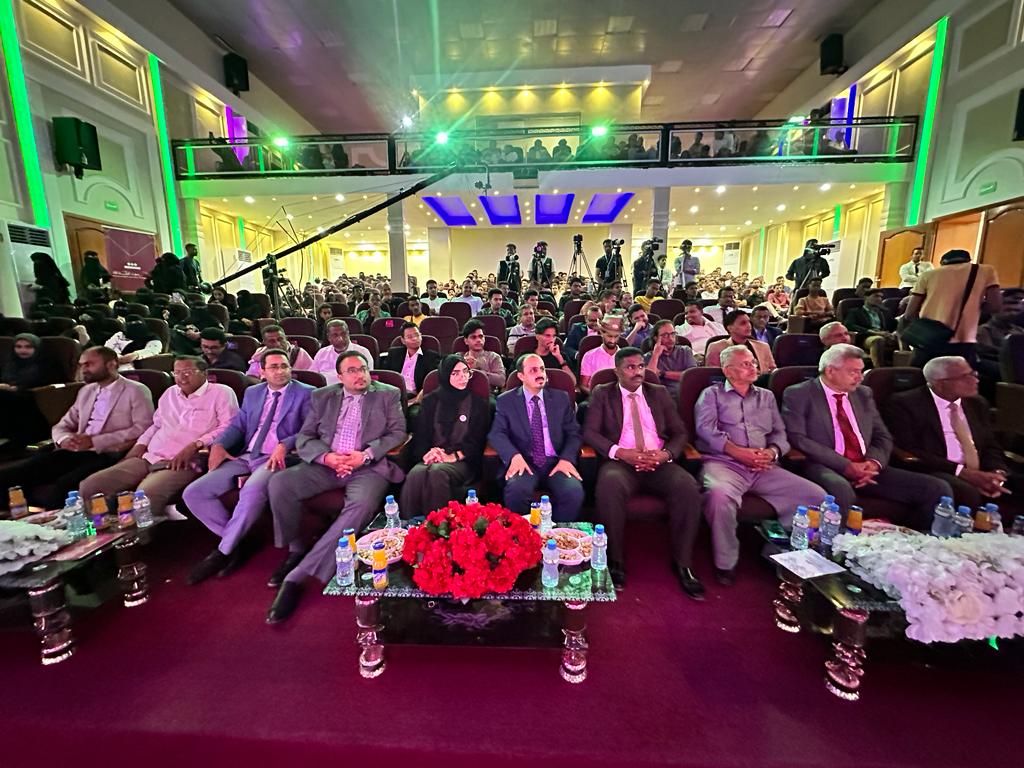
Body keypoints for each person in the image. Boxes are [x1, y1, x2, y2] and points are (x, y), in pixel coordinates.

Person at [264, 351, 406, 623]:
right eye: (352, 371)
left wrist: (365, 455)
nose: (360, 375)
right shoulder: (323, 396)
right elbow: (306, 436)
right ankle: (295, 549)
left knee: (361, 505)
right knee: (280, 483)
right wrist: (326, 457)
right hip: (327, 464)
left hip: (367, 467)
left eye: (363, 369)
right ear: (340, 377)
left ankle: (298, 576)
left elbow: (398, 431)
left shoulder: (387, 394)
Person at [781, 344, 951, 529]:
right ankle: (838, 543)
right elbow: (798, 438)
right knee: (841, 490)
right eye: (853, 372)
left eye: (861, 371)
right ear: (830, 371)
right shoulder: (799, 393)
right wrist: (845, 466)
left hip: (866, 467)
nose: (860, 377)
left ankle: (912, 541)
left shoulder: (863, 394)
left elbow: (882, 436)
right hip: (824, 464)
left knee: (937, 489)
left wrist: (873, 463)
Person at [183, 349, 315, 584]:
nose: (280, 371)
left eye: (284, 366)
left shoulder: (306, 393)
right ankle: (238, 542)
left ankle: (222, 552)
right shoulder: (253, 393)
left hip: (277, 458)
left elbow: (309, 430)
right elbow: (238, 425)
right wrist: (219, 445)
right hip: (246, 455)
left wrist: (285, 444)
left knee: (252, 490)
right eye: (274, 367)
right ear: (262, 371)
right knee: (194, 493)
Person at [695, 345, 825, 583]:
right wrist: (739, 453)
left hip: (764, 467)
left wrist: (772, 453)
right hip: (725, 463)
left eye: (753, 362)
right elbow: (706, 430)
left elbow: (780, 433)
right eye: (745, 364)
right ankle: (725, 562)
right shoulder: (712, 394)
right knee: (719, 495)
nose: (753, 367)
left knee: (816, 496)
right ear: (728, 371)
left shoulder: (766, 396)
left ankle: (776, 551)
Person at [583, 347, 704, 597]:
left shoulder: (658, 393)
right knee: (610, 485)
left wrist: (665, 454)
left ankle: (683, 563)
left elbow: (680, 432)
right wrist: (620, 452)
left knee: (687, 487)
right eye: (630, 367)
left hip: (658, 462)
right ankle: (615, 560)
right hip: (622, 463)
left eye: (640, 366)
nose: (637, 372)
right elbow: (590, 432)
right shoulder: (603, 393)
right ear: (617, 371)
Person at [0, 346, 154, 511]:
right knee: (11, 475)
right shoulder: (86, 391)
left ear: (111, 364)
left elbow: (143, 427)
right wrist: (64, 439)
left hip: (107, 453)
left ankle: (57, 525)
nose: (83, 369)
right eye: (81, 365)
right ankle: (13, 523)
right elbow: (63, 424)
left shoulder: (135, 390)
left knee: (65, 487)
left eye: (89, 364)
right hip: (74, 450)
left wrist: (94, 441)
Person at [80, 356, 238, 515]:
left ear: (204, 374)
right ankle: (101, 527)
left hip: (186, 460)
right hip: (151, 455)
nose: (182, 377)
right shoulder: (170, 393)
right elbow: (156, 425)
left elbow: (229, 427)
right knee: (91, 486)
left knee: (146, 494)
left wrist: (195, 445)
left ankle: (142, 531)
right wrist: (140, 444)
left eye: (188, 372)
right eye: (177, 372)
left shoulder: (221, 392)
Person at [882, 356, 1009, 511]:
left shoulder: (977, 404)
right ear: (940, 383)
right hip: (938, 470)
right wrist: (961, 472)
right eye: (966, 377)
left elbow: (990, 444)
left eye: (974, 374)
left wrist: (997, 472)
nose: (976, 380)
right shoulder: (904, 404)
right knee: (966, 492)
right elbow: (910, 450)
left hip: (981, 469)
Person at [489, 353, 584, 519]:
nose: (540, 374)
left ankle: (557, 533)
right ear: (521, 376)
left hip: (556, 461)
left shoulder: (561, 398)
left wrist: (566, 459)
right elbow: (497, 433)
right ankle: (523, 533)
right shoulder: (506, 401)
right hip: (525, 462)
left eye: (542, 369)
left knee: (573, 491)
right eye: (533, 370)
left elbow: (574, 433)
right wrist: (514, 456)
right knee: (517, 490)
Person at [400, 355, 489, 518]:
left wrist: (452, 456)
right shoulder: (430, 401)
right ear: (445, 375)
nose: (462, 377)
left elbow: (478, 441)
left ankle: (441, 526)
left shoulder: (478, 404)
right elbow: (420, 435)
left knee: (437, 472)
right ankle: (410, 526)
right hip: (432, 457)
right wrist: (428, 454)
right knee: (416, 474)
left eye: (465, 372)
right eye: (455, 373)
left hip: (463, 461)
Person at [903, 249, 1000, 367]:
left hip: (928, 337)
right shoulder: (986, 271)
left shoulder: (928, 275)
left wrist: (920, 328)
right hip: (963, 338)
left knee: (922, 373)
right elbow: (995, 306)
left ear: (942, 262)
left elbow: (910, 312)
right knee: (957, 376)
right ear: (968, 260)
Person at [0, 334, 57, 446]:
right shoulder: (10, 363)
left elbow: (46, 382)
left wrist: (18, 388)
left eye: (28, 347)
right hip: (9, 394)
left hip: (34, 397)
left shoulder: (46, 364)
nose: (23, 350)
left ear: (37, 348)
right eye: (18, 347)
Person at [380, 322, 441, 406]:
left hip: (414, 396)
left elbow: (432, 381)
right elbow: (385, 376)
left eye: (417, 335)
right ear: (403, 340)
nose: (415, 338)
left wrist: (416, 399)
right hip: (394, 393)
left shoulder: (431, 357)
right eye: (409, 337)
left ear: (421, 336)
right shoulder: (394, 353)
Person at [705, 311, 777, 374]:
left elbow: (772, 371)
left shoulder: (763, 346)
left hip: (762, 383)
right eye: (743, 323)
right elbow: (714, 375)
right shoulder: (716, 347)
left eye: (749, 322)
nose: (749, 326)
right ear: (730, 328)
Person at [844, 289, 898, 368]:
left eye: (881, 297)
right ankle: (878, 369)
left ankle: (904, 366)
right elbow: (849, 325)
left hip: (885, 335)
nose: (879, 299)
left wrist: (895, 332)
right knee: (878, 340)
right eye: (876, 296)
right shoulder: (856, 312)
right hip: (867, 336)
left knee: (902, 336)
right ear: (866, 297)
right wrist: (874, 332)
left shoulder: (884, 312)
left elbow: (894, 325)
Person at [644, 319, 697, 399]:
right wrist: (655, 355)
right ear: (656, 338)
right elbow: (649, 380)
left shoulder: (685, 351)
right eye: (665, 335)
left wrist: (663, 374)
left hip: (686, 393)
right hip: (662, 397)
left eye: (673, 334)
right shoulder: (648, 357)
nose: (671, 338)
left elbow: (692, 376)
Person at [246, 325, 314, 377]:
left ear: (285, 338)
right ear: (265, 343)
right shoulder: (259, 354)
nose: (277, 344)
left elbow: (313, 376)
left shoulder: (300, 353)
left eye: (280, 339)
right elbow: (251, 376)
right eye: (272, 341)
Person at [579, 319, 623, 394]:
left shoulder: (626, 357)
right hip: (595, 395)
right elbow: (583, 385)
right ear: (602, 333)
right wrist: (598, 397)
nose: (612, 340)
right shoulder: (589, 356)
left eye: (616, 336)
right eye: (609, 336)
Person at [977, 288, 1024, 359]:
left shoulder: (1020, 331)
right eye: (1008, 310)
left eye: (1016, 311)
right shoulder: (984, 330)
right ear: (995, 312)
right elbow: (987, 353)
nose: (1012, 313)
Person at [460, 319, 505, 389]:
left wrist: (478, 370)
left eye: (481, 336)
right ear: (466, 341)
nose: (478, 340)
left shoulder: (493, 357)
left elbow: (501, 381)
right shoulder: (459, 357)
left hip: (487, 392)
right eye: (473, 337)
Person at [534, 318, 574, 383]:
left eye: (554, 336)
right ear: (537, 336)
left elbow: (573, 382)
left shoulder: (562, 356)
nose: (551, 340)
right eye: (547, 336)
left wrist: (559, 358)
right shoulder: (526, 356)